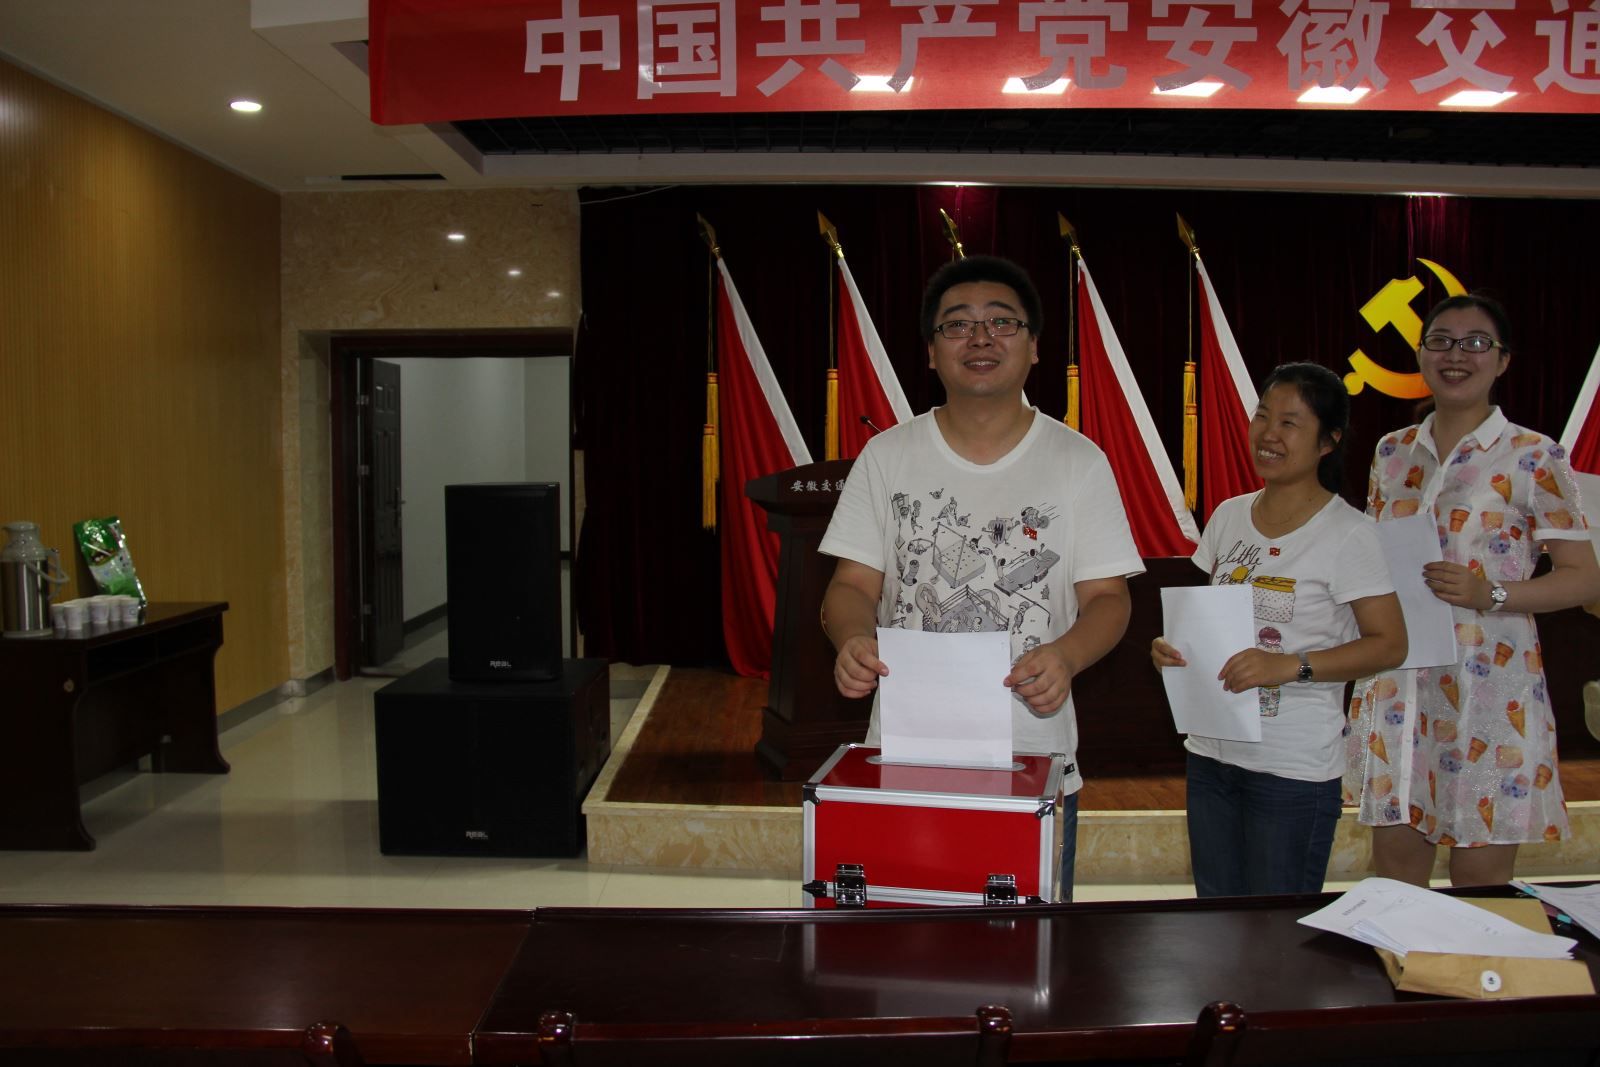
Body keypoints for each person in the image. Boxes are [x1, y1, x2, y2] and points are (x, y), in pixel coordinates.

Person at [818, 255, 1144, 900]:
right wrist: (851, 639)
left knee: (1024, 944)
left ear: (1034, 346)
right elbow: (851, 586)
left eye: (1002, 322)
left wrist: (1067, 655)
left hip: (1032, 754)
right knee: (902, 940)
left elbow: (1110, 599)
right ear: (932, 351)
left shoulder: (1078, 461)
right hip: (906, 752)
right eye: (958, 325)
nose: (980, 338)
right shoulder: (887, 456)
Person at [1347, 293, 1600, 887]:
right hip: (1401, 683)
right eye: (1440, 341)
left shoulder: (1533, 455)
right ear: (1420, 354)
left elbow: (1585, 576)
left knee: (1481, 891)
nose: (1456, 355)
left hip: (1489, 689)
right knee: (1396, 888)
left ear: (1503, 360)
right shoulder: (1391, 451)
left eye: (1476, 343)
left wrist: (1494, 594)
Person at [1152, 363, 1406, 897]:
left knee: (1275, 931)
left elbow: (1389, 644)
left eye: (1290, 423)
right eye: (1262, 416)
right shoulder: (1228, 515)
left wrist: (1291, 666)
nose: (1268, 434)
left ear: (1328, 441)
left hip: (1292, 767)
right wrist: (1172, 650)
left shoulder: (1350, 533)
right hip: (1211, 755)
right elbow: (1206, 617)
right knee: (1217, 919)